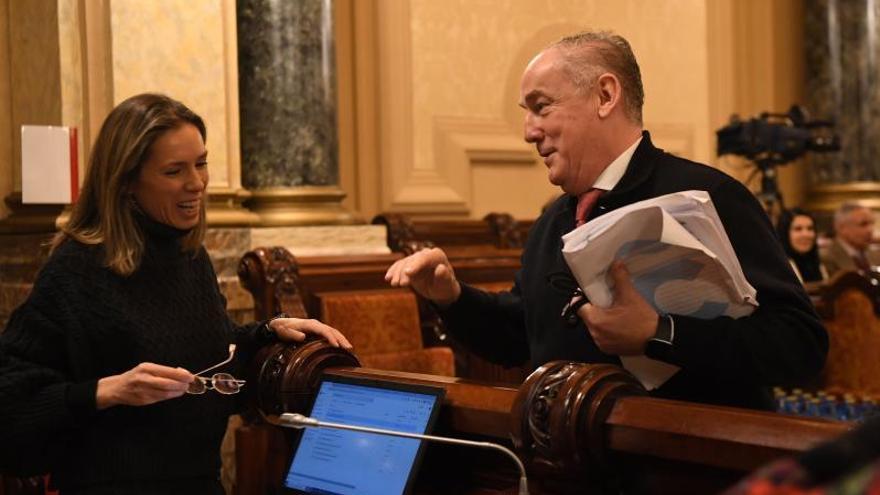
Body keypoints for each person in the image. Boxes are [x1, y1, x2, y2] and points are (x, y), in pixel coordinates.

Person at [386, 30, 827, 410]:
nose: (527, 130)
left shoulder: (707, 196)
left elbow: (800, 345)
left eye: (541, 107)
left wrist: (659, 332)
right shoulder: (552, 221)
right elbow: (519, 336)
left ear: (605, 96)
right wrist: (452, 297)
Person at [0, 93, 352, 494]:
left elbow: (204, 360)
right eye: (174, 171)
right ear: (127, 181)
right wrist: (104, 391)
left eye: (201, 163)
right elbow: (12, 403)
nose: (197, 183)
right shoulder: (77, 268)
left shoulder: (189, 255)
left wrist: (271, 332)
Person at [822, 201, 880, 277]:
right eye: (863, 224)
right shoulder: (826, 258)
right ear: (841, 227)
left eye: (871, 223)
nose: (870, 230)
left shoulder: (876, 254)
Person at [775, 208, 828, 283]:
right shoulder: (778, 268)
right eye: (798, 229)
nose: (806, 234)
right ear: (784, 234)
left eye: (810, 228)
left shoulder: (820, 263)